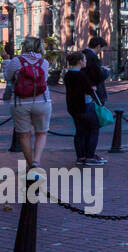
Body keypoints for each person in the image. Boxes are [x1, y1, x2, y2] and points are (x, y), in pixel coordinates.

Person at [4, 36, 53, 176]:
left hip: (20, 102)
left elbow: (8, 77)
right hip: (42, 101)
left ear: (25, 46)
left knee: (24, 134)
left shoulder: (16, 61)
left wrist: (6, 60)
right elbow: (44, 80)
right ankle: (36, 161)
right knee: (41, 132)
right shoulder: (44, 62)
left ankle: (31, 164)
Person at [63, 51, 105, 167]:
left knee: (80, 131)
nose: (86, 62)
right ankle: (90, 155)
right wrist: (94, 88)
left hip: (72, 107)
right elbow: (88, 90)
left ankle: (81, 156)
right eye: (84, 60)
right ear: (80, 61)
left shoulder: (67, 75)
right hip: (84, 106)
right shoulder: (81, 75)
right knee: (93, 129)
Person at [83, 35, 109, 105]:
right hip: (94, 89)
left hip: (86, 88)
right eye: (102, 49)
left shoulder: (83, 54)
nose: (101, 51)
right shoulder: (92, 57)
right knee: (97, 110)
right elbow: (98, 76)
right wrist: (106, 71)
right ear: (98, 46)